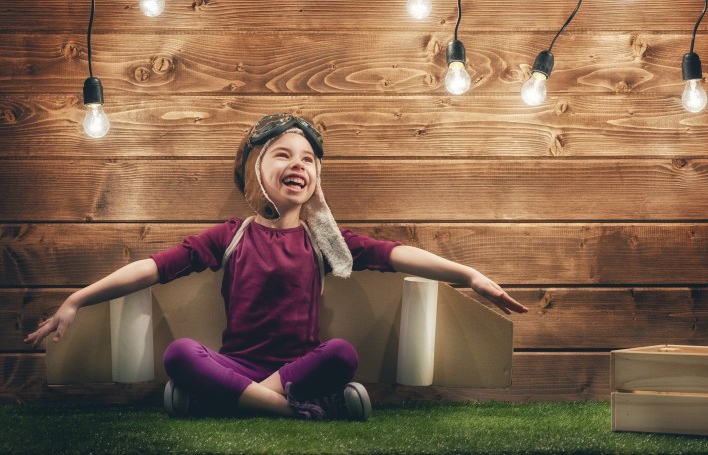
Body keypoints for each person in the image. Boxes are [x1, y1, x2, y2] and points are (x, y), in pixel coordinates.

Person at [25, 113, 528, 421]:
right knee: (180, 353)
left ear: (316, 178)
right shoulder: (231, 235)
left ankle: (220, 402)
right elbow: (153, 268)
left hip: (297, 370)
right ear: (255, 170)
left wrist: (468, 275)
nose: (299, 165)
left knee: (344, 354)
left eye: (308, 159)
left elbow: (394, 254)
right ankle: (299, 413)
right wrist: (76, 300)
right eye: (283, 154)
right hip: (239, 365)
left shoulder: (324, 241)